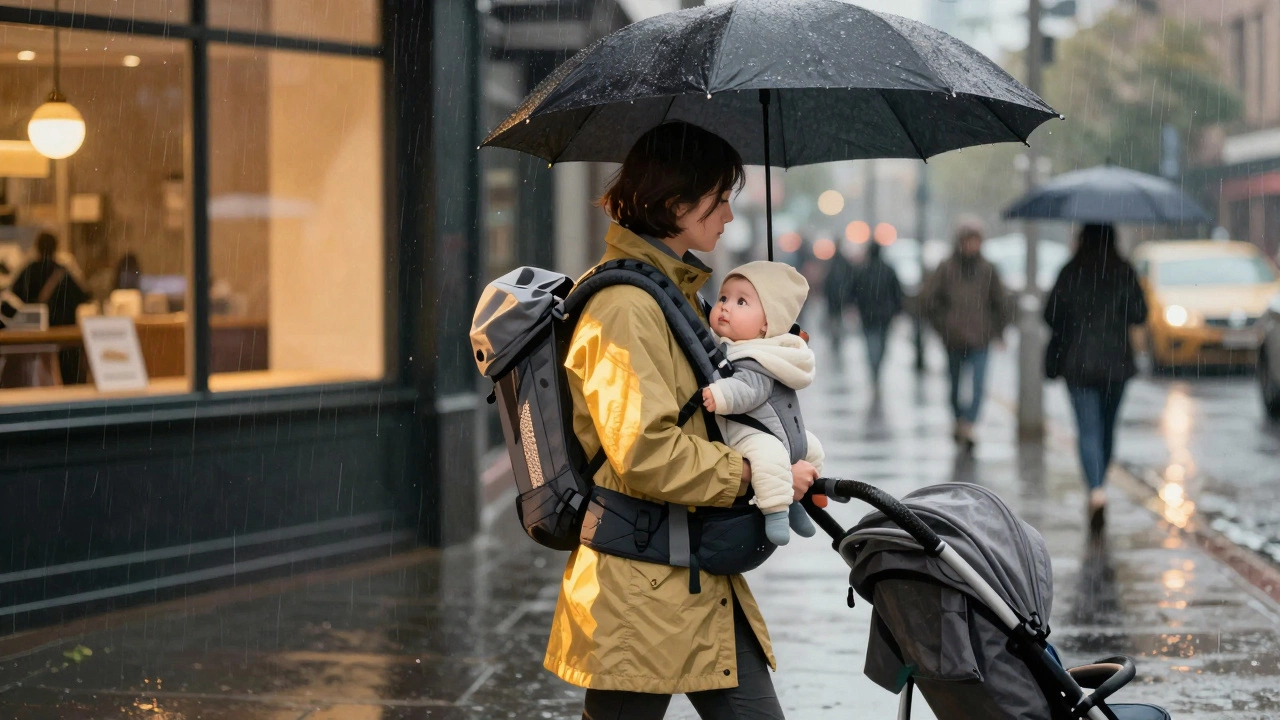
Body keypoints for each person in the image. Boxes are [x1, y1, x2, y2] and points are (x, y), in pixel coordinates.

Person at [555, 121, 816, 720]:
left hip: (693, 573)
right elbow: (645, 452)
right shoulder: (624, 309)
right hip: (640, 590)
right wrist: (752, 473)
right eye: (719, 198)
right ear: (676, 205)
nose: (728, 215)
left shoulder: (678, 296)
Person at [701, 261, 822, 545]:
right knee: (771, 455)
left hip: (763, 427)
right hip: (752, 431)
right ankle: (784, 508)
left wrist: (719, 394)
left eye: (741, 301)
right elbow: (750, 390)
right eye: (723, 298)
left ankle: (791, 505)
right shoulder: (741, 348)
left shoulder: (757, 356)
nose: (726, 307)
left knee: (807, 448)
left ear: (767, 323)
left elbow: (751, 388)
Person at [1044, 223, 1147, 528]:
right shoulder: (1123, 270)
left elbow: (1049, 315)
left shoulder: (1070, 270)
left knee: (1087, 429)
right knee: (1106, 429)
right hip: (1117, 363)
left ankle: (1096, 490)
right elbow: (1140, 314)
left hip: (1079, 363)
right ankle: (1100, 483)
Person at [921, 222, 1011, 449]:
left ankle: (969, 423)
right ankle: (959, 419)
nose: (971, 246)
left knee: (979, 384)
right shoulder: (947, 267)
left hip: (980, 338)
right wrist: (944, 326)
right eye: (967, 241)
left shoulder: (987, 269)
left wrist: (998, 331)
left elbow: (1000, 302)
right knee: (954, 384)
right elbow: (930, 301)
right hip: (954, 338)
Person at [12, 232, 90, 384]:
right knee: (69, 379)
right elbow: (84, 296)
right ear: (56, 248)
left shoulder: (29, 270)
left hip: (34, 337)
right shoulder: (64, 273)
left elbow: (14, 297)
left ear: (37, 248)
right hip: (63, 337)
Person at [849, 242, 903, 384]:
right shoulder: (888, 270)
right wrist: (897, 310)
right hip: (884, 316)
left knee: (871, 344)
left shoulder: (862, 270)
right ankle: (877, 368)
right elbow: (897, 293)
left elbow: (853, 292)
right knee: (881, 344)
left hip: (868, 315)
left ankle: (875, 369)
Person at [821, 247, 857, 356]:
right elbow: (852, 282)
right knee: (838, 321)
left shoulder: (831, 264)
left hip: (833, 301)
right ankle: (837, 338)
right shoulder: (846, 265)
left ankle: (835, 339)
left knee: (834, 321)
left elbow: (827, 282)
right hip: (841, 300)